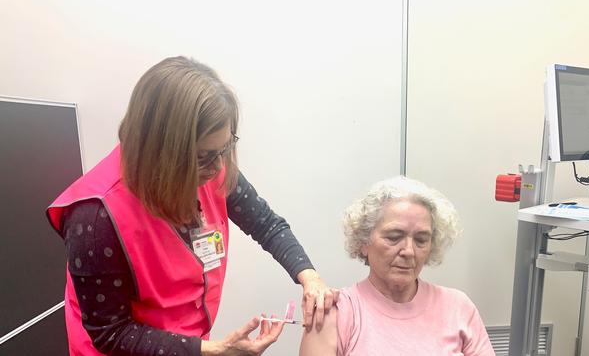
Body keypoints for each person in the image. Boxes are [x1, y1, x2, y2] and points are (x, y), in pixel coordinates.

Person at [46, 56, 338, 356]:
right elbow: (111, 333)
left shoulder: (213, 167)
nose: (218, 166)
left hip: (186, 343)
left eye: (225, 149)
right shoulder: (95, 218)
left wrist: (309, 277)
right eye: (203, 156)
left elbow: (266, 224)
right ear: (159, 150)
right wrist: (210, 351)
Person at [299, 176, 495, 356]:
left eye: (421, 240)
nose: (409, 250)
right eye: (394, 237)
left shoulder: (458, 307)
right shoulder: (334, 314)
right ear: (364, 241)